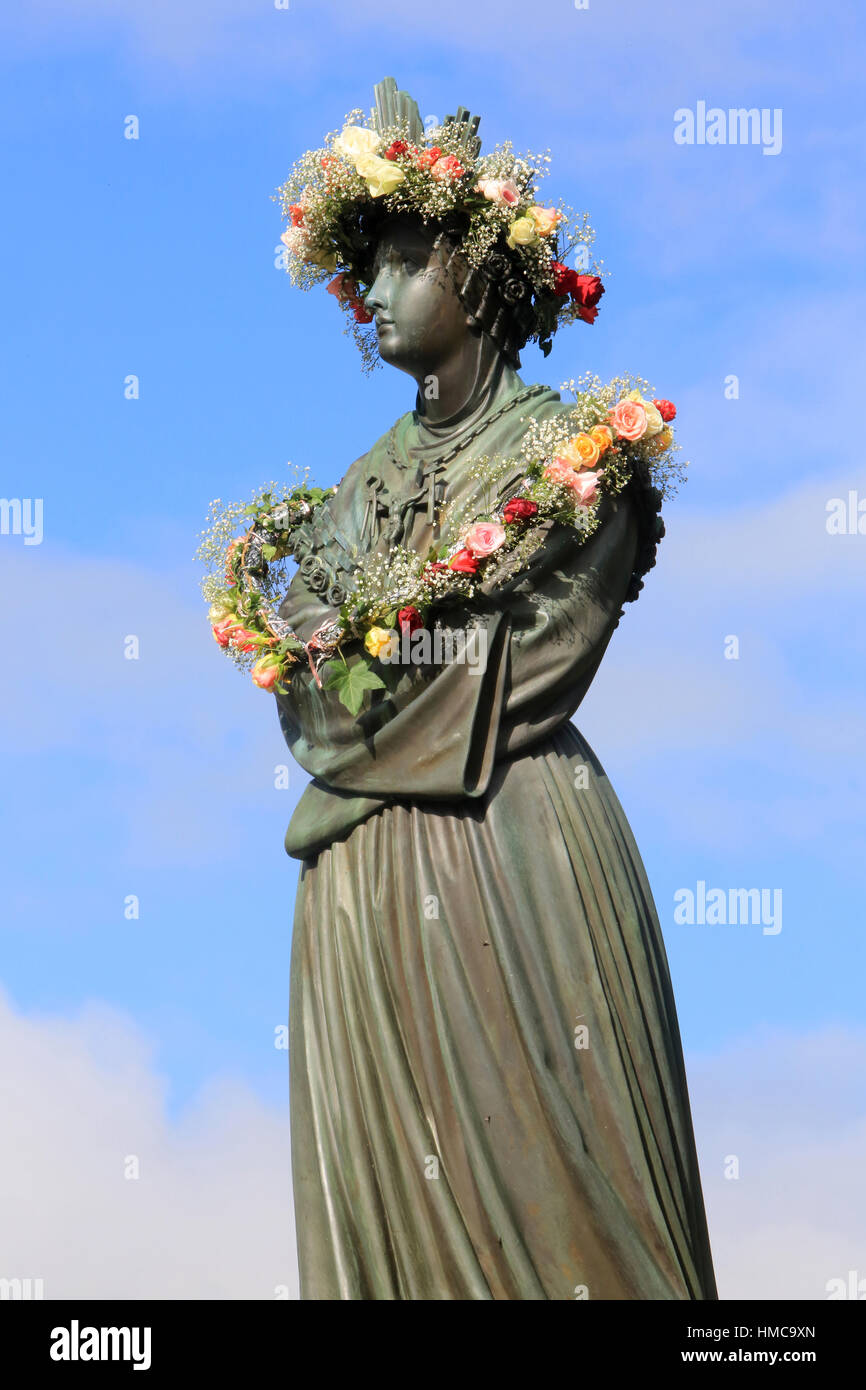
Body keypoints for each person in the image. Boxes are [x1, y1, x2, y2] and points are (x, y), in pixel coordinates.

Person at [272, 81, 718, 1300]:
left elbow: (532, 659)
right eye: (363, 268)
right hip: (362, 896)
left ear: (473, 276)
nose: (370, 291)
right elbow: (305, 700)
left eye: (400, 261)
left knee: (581, 1215)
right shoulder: (342, 502)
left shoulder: (578, 459)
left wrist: (373, 678)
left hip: (515, 858)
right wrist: (362, 682)